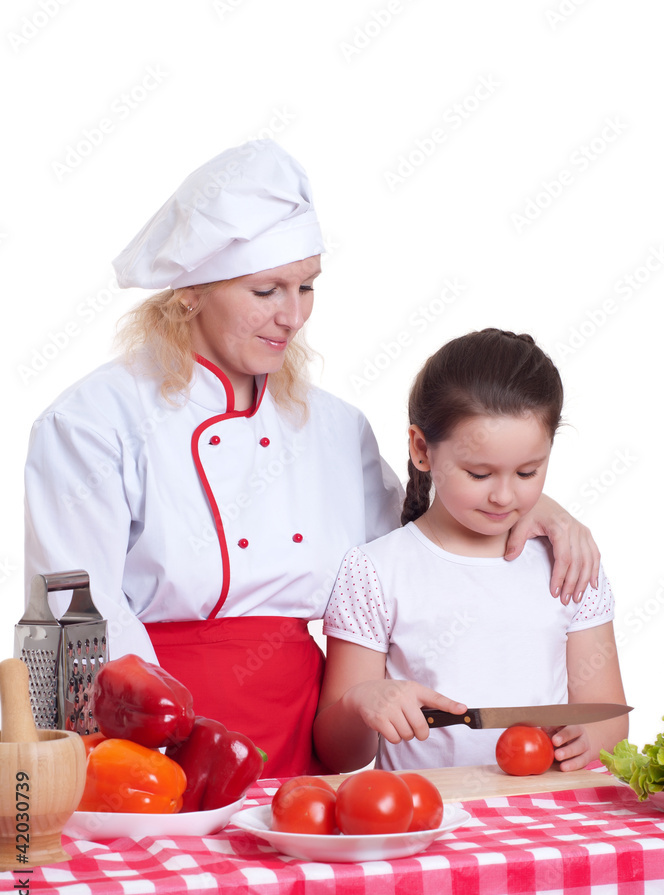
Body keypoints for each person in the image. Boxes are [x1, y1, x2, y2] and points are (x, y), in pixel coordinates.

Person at [24, 142, 599, 777]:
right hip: (150, 732)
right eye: (266, 289)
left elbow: (413, 550)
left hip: (304, 736)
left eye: (307, 286)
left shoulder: (333, 426)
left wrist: (534, 502)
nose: (293, 315)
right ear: (190, 291)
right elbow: (75, 616)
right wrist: (128, 751)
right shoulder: (94, 421)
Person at [314, 329, 627, 775]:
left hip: (551, 815)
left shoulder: (568, 562)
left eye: (527, 471)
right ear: (422, 449)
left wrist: (592, 738)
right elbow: (338, 753)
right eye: (479, 474)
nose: (503, 495)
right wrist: (361, 703)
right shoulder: (375, 571)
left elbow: (608, 714)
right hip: (427, 816)